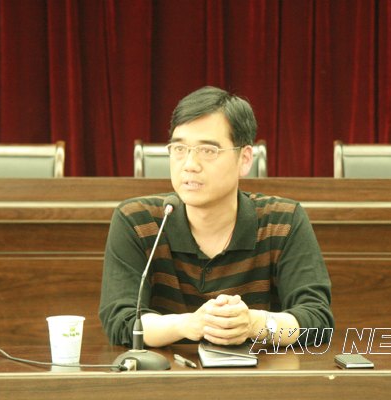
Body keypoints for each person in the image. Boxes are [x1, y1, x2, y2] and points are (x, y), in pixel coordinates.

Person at [99, 86, 334, 348]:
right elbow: (121, 320)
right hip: (167, 373)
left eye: (207, 151)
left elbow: (317, 321)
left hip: (259, 373)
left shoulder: (283, 221)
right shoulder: (137, 221)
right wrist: (189, 324)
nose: (190, 164)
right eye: (179, 149)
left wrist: (253, 324)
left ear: (245, 159)